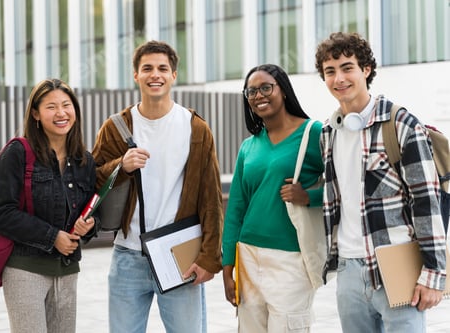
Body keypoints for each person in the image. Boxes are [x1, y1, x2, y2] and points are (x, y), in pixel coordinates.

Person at [315, 32, 446, 332]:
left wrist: (434, 274)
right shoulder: (328, 132)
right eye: (330, 71)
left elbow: (427, 202)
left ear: (366, 69)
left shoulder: (401, 125)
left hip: (396, 264)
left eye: (347, 67)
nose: (339, 78)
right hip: (348, 269)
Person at [91, 40, 223, 333]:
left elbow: (210, 198)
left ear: (174, 75)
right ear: (135, 75)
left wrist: (209, 258)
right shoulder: (116, 127)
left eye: (163, 68)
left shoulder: (194, 128)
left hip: (180, 254)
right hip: (127, 255)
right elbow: (92, 180)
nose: (155, 74)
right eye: (147, 68)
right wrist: (120, 167)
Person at [0, 78, 98, 333]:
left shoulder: (84, 160)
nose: (61, 113)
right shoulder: (17, 153)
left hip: (68, 270)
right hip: (25, 270)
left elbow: (94, 212)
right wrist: (52, 237)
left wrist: (90, 225)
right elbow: (1, 212)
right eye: (51, 107)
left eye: (66, 105)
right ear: (36, 114)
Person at [222, 64, 324, 332]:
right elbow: (236, 209)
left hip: (291, 258)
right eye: (251, 91)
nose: (258, 95)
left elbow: (346, 189)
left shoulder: (314, 133)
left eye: (266, 87)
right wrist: (227, 267)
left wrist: (308, 197)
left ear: (284, 90)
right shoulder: (249, 145)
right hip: (247, 256)